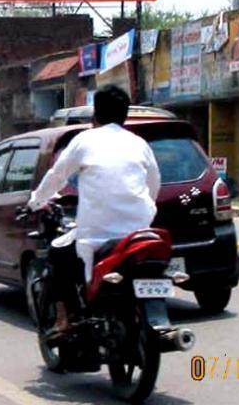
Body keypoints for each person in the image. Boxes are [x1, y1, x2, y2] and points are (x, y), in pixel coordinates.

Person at [28, 85, 160, 338]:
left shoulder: (85, 140)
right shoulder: (139, 143)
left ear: (95, 116)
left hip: (97, 234)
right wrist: (146, 211)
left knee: (57, 253)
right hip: (139, 232)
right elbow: (153, 184)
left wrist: (36, 201)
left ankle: (66, 318)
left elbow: (57, 176)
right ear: (125, 115)